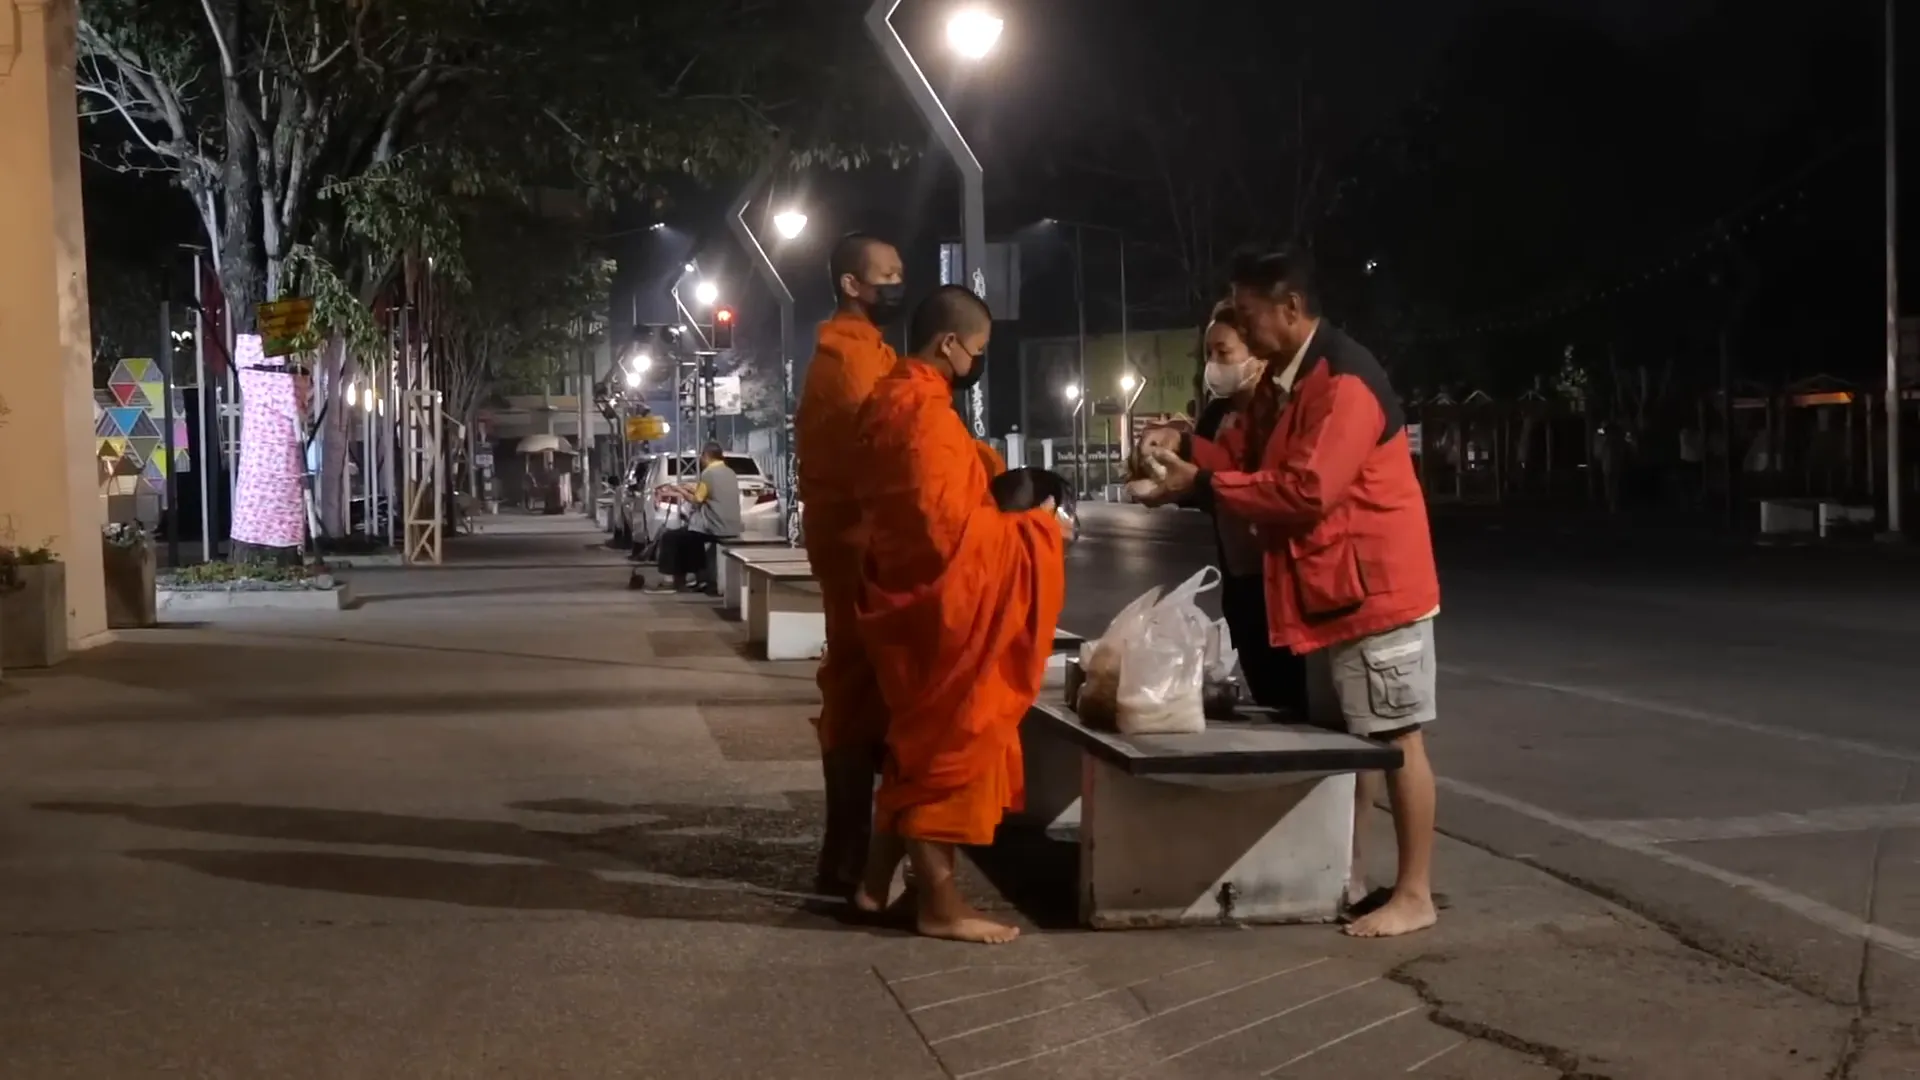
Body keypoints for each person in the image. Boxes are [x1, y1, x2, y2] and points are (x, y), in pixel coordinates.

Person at [1144, 247, 1441, 939]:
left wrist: (1204, 483)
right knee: (1351, 744)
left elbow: (1308, 490)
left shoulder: (1342, 383)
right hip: (1330, 592)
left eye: (1248, 317)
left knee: (1398, 741)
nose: (1244, 333)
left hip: (1375, 593)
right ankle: (1353, 875)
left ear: (1290, 308)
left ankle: (1416, 892)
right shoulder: (1293, 380)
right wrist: (1194, 461)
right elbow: (1260, 467)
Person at [851, 286, 1066, 944]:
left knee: (914, 749)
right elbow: (950, 537)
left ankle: (872, 881)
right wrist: (1038, 532)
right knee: (948, 745)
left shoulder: (889, 400)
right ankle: (939, 904)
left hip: (899, 597)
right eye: (977, 351)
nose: (977, 362)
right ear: (949, 344)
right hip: (941, 609)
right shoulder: (923, 413)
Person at [795, 233, 908, 896]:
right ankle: (855, 867)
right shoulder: (847, 359)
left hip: (860, 545)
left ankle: (852, 861)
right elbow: (891, 444)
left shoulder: (866, 353)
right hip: (861, 547)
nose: (897, 283)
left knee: (860, 690)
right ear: (851, 284)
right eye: (886, 274)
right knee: (863, 692)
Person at [1189, 302, 1308, 716]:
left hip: (1276, 581)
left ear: (1256, 354)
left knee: (1298, 709)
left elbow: (1249, 479)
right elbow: (1203, 487)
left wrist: (1190, 458)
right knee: (1268, 699)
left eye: (1224, 353)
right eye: (1208, 354)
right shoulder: (1217, 414)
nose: (1213, 364)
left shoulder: (1277, 412)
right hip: (1239, 582)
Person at [648, 442, 741, 592]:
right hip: (731, 525)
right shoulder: (729, 472)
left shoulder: (708, 473)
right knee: (690, 536)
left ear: (706, 456)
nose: (701, 460)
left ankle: (672, 581)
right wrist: (687, 488)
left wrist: (680, 490)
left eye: (701, 457)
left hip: (715, 526)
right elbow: (708, 494)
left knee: (671, 537)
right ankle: (700, 579)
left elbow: (697, 500)